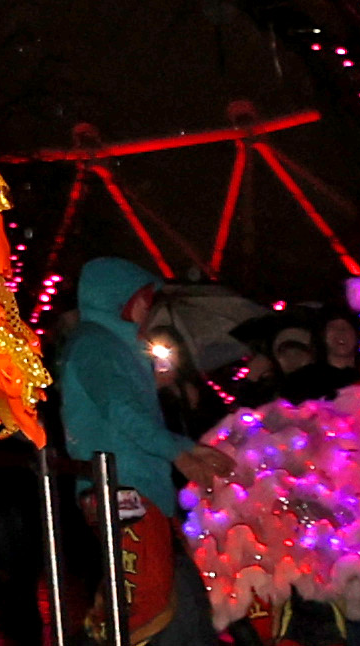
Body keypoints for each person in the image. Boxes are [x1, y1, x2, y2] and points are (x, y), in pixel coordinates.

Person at [56, 258, 214, 646]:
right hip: (123, 486)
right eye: (143, 300)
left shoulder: (116, 347)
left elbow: (127, 413)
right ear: (122, 301)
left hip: (137, 485)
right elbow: (121, 411)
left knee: (168, 593)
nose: (148, 310)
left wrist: (187, 447)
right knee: (144, 601)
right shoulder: (96, 344)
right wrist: (181, 454)